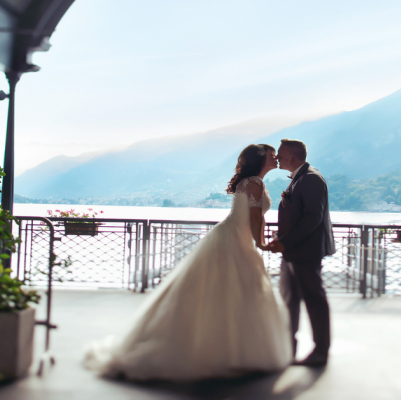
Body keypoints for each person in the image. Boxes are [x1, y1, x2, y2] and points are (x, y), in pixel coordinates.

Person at [84, 144, 292, 381]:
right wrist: (262, 244)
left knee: (222, 290)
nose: (276, 158)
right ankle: (229, 349)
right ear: (260, 159)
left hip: (232, 236)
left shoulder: (251, 182)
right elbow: (255, 217)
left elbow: (256, 216)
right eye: (272, 155)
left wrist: (259, 241)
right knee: (234, 290)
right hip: (235, 240)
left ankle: (225, 347)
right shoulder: (254, 183)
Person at [263, 139, 335, 367]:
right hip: (294, 250)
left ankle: (321, 352)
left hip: (305, 251)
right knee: (290, 299)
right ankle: (288, 348)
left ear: (293, 158)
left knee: (314, 300)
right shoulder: (301, 176)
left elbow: (312, 218)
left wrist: (285, 242)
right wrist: (282, 240)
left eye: (281, 156)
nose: (277, 159)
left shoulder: (311, 178)